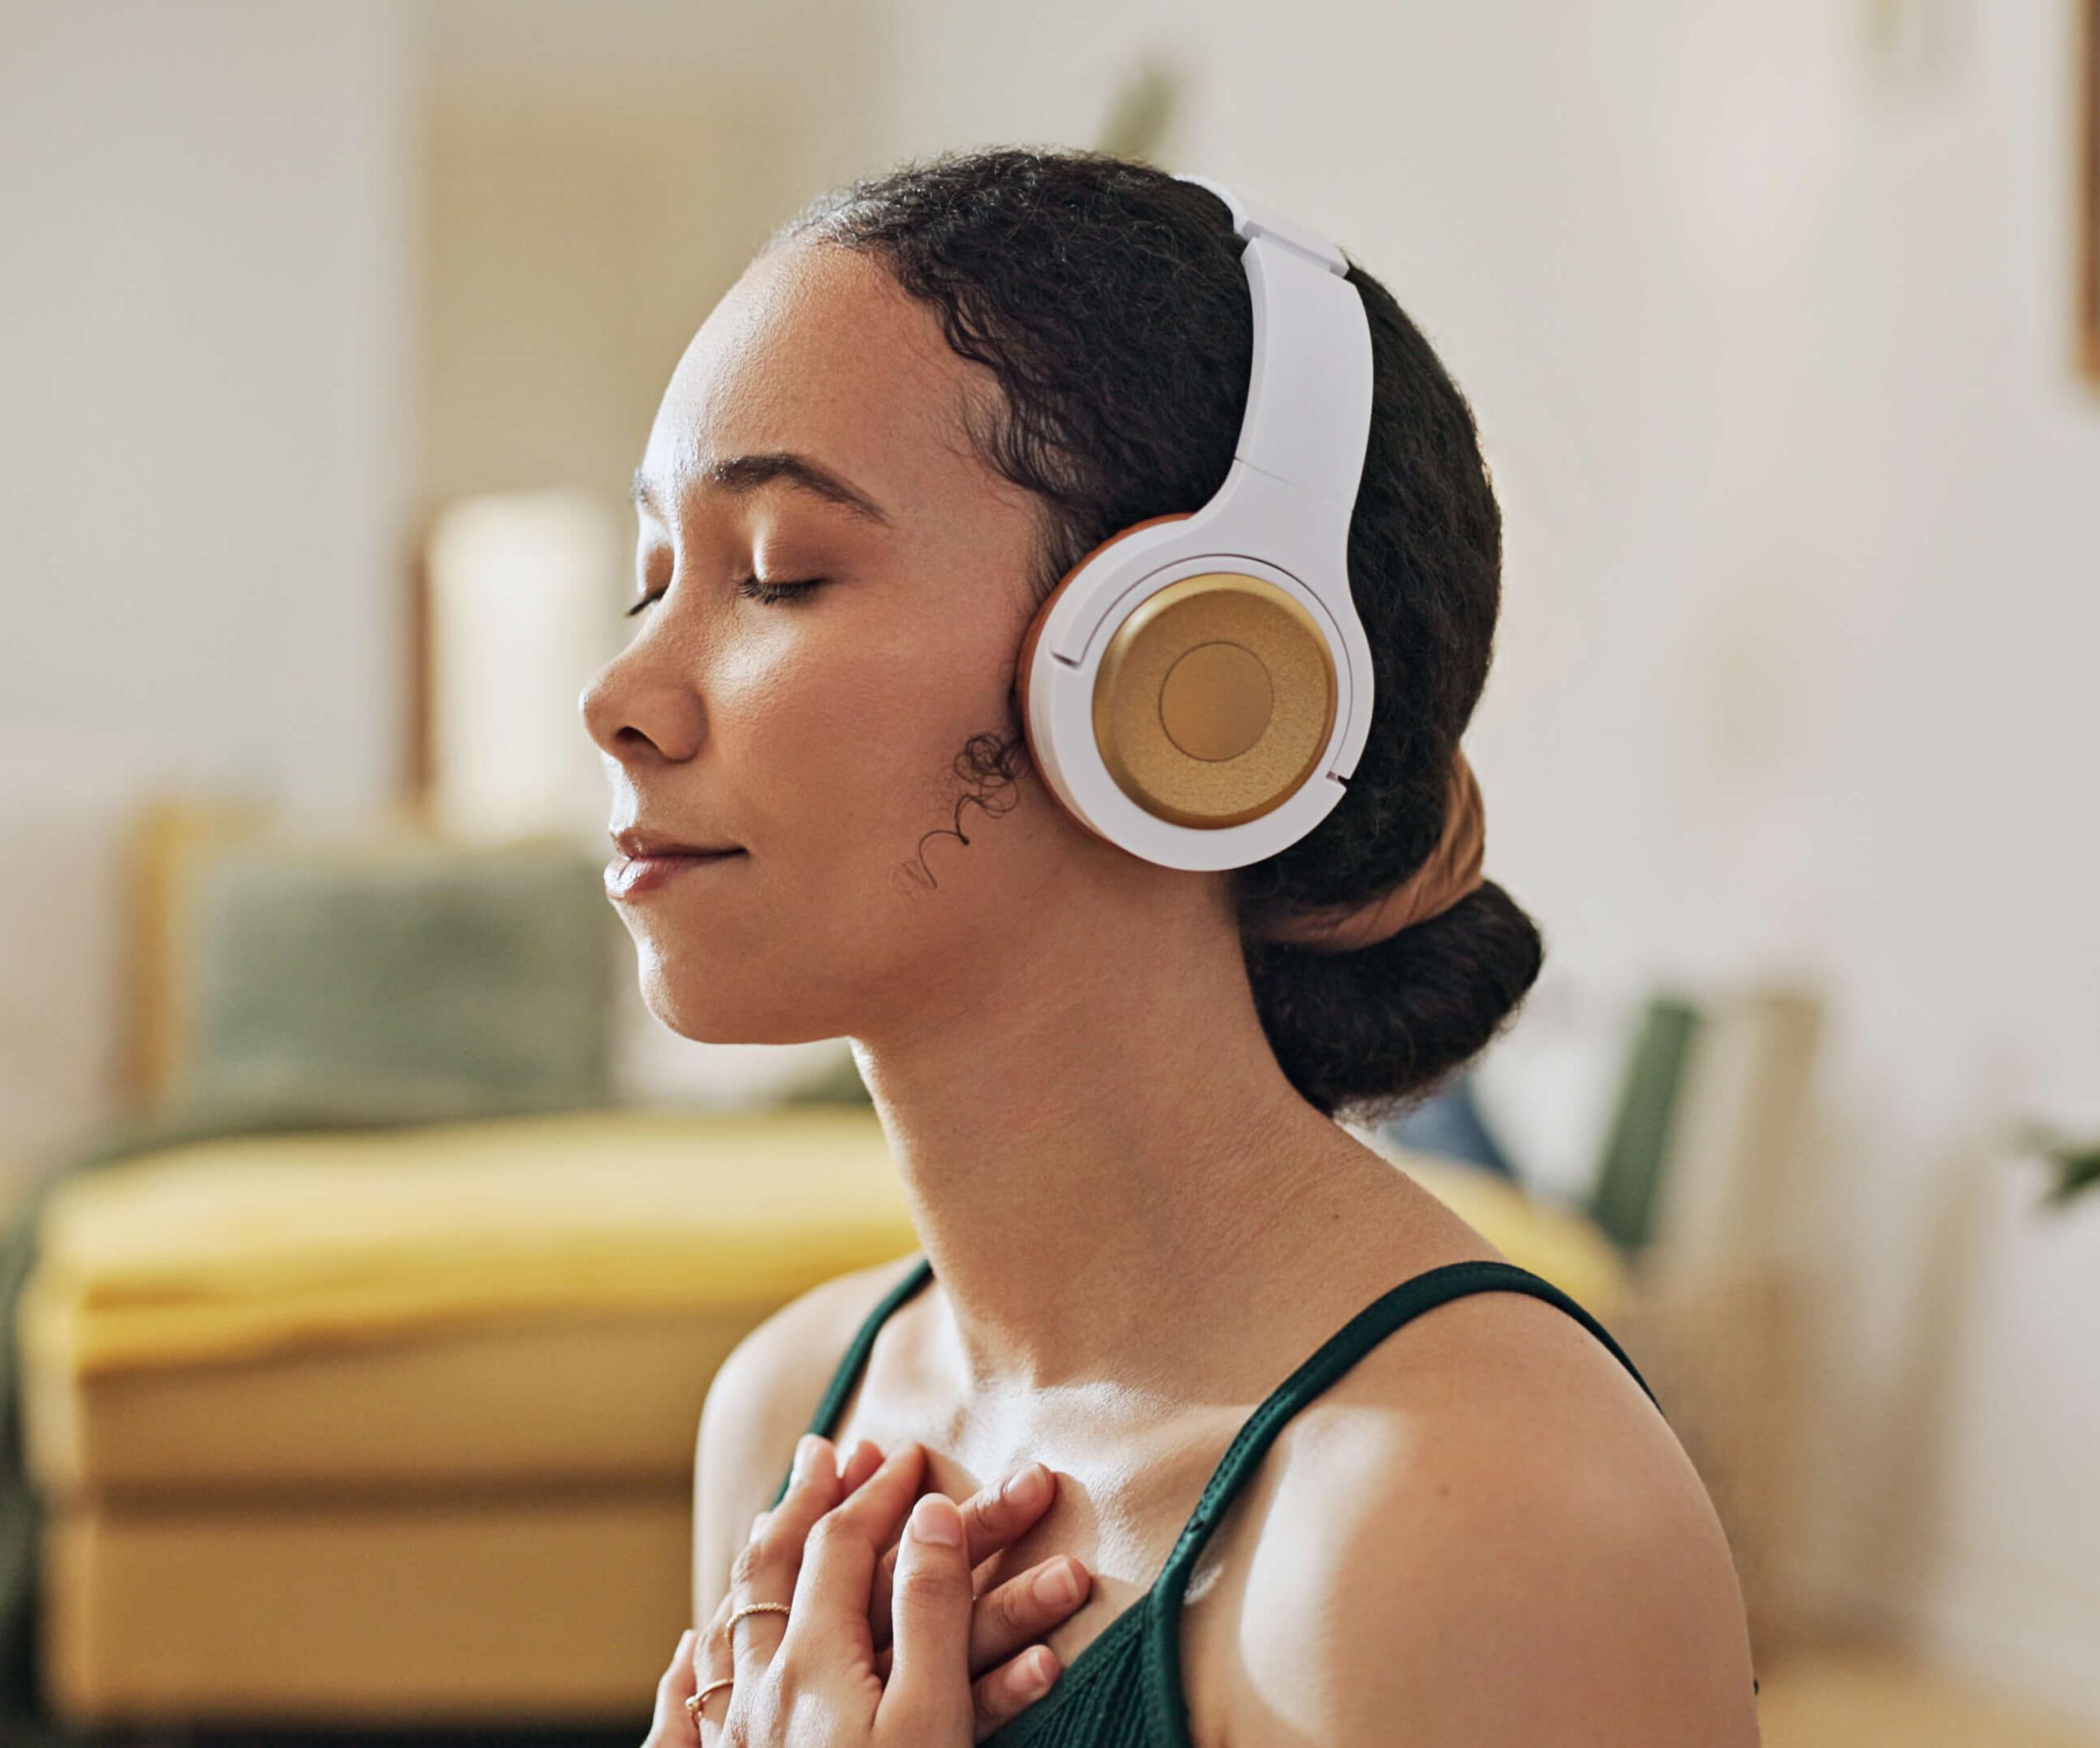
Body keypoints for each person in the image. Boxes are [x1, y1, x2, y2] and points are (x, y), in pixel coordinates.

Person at [586, 148, 1758, 1747]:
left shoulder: (1472, 1512)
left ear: (1189, 675)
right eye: (652, 578)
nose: (620, 695)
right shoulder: (797, 1414)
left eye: (779, 571)